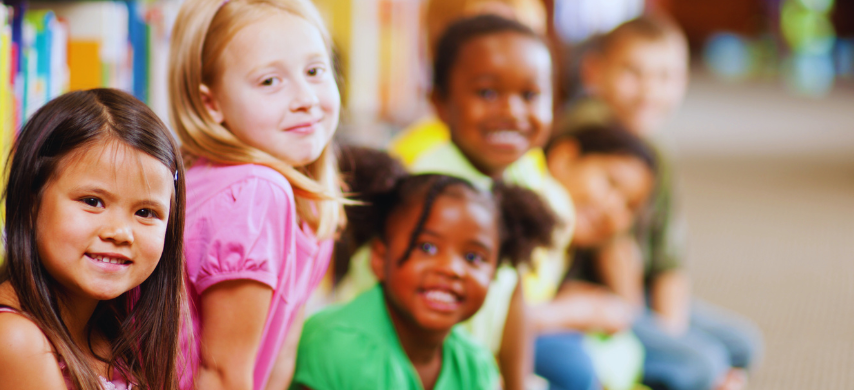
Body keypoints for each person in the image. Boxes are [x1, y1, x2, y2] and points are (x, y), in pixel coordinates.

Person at [0, 88, 188, 390]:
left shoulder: (109, 331)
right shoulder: (12, 339)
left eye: (146, 212)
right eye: (93, 201)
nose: (121, 232)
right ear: (32, 202)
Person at [568, 16, 763, 390]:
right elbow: (617, 258)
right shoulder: (587, 136)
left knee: (743, 345)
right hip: (592, 299)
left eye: (665, 77)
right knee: (702, 364)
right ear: (594, 73)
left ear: (684, 81)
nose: (648, 91)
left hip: (635, 294)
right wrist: (674, 346)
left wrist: (670, 334)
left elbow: (669, 263)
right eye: (632, 72)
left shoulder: (659, 151)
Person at [166, 0, 346, 389]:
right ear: (210, 103)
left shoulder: (310, 203)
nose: (306, 98)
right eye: (270, 81)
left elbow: (283, 354)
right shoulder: (255, 193)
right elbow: (221, 373)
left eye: (315, 71)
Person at [294, 163, 558, 390]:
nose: (451, 269)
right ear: (379, 258)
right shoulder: (335, 344)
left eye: (473, 258)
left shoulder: (475, 366)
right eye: (427, 248)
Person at [536, 122, 660, 390]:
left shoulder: (571, 244)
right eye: (610, 183)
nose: (612, 208)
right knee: (575, 364)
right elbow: (494, 319)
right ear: (565, 158)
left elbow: (630, 309)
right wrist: (571, 311)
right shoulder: (535, 214)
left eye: (629, 206)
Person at [391, 0, 549, 167]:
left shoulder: (529, 160)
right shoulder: (416, 160)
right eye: (487, 93)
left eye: (529, 95)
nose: (512, 112)